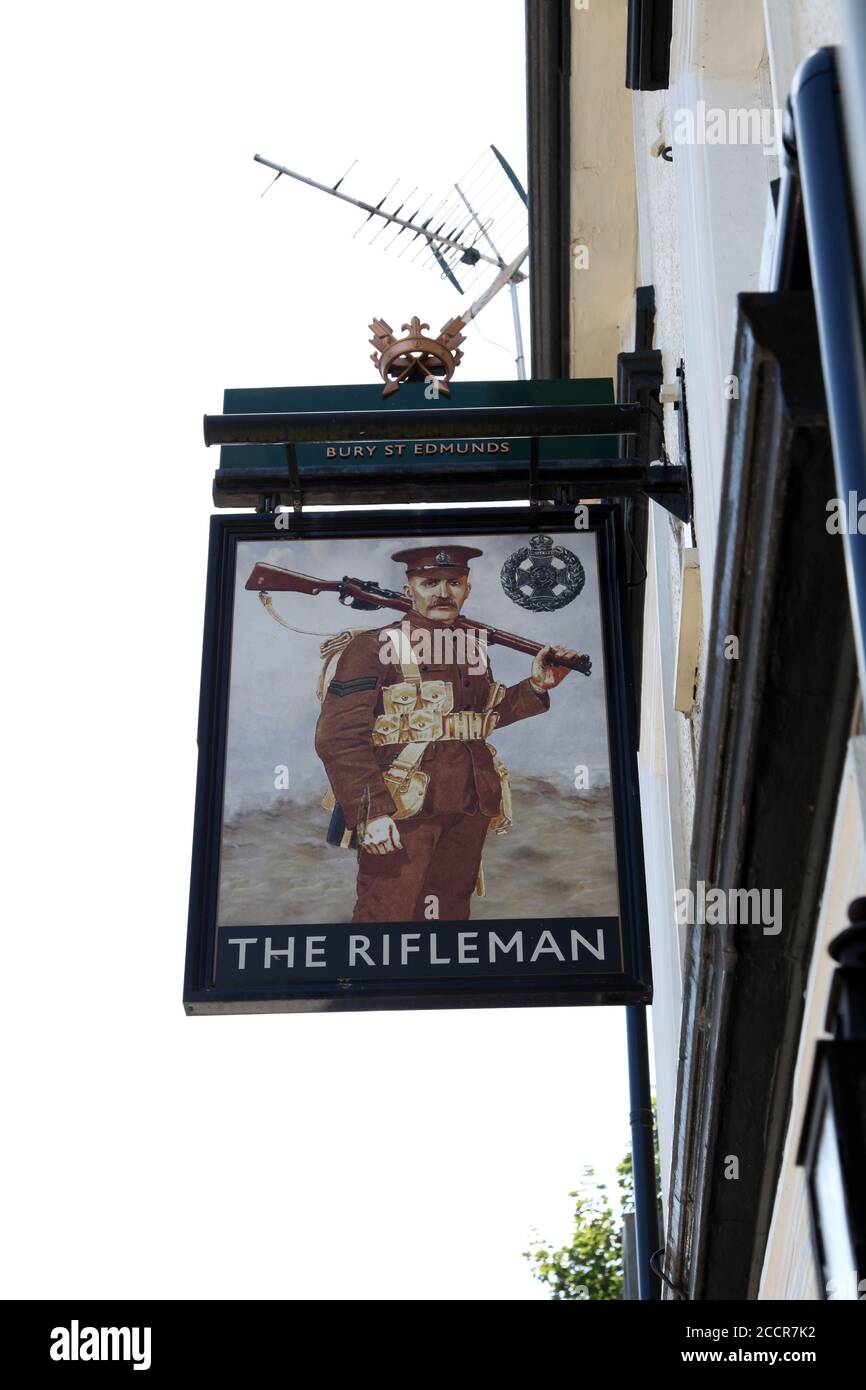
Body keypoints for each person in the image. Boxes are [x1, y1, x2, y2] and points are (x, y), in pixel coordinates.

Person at [314, 544, 580, 922]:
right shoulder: (371, 647)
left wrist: (536, 687)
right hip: (402, 808)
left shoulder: (470, 648)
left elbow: (477, 721)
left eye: (453, 582)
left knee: (449, 923)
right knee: (387, 920)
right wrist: (371, 814)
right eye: (430, 582)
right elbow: (338, 737)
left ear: (467, 589)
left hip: (469, 804)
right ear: (409, 590)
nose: (443, 592)